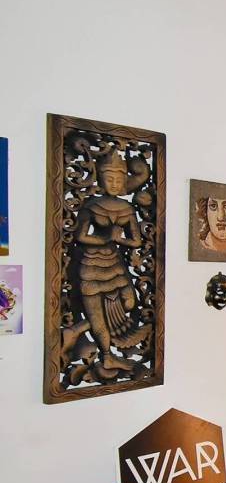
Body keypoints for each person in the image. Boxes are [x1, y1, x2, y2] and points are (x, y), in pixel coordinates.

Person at [73, 149, 148, 372]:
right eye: (109, 179)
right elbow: (80, 236)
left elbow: (136, 241)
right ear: (100, 179)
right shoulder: (92, 206)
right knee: (96, 316)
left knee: (129, 302)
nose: (114, 184)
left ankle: (80, 329)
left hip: (115, 264)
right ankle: (107, 355)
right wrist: (106, 238)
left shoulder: (127, 208)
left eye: (118, 179)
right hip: (91, 265)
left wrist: (119, 240)